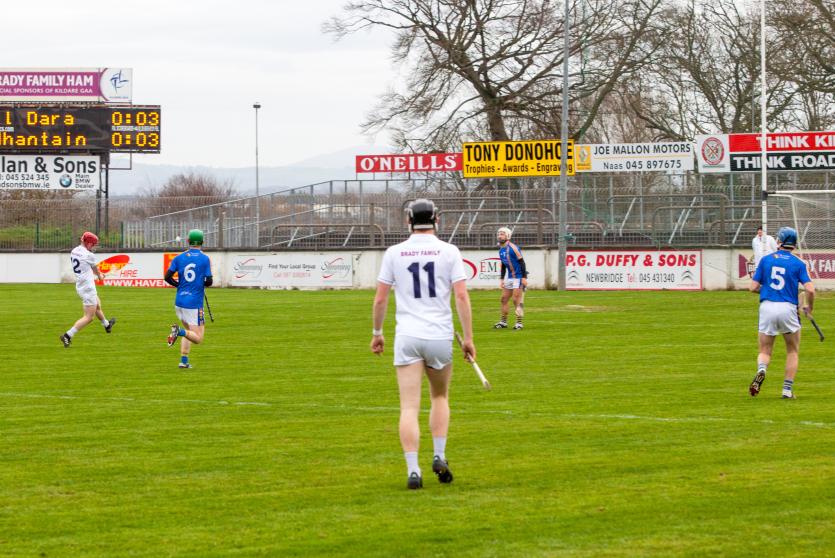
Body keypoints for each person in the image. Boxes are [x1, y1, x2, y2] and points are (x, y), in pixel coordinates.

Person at [371, 199, 476, 490]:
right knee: (439, 397)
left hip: (408, 336)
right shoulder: (449, 251)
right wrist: (468, 338)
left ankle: (413, 470)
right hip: (440, 336)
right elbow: (462, 297)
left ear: (408, 220)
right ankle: (440, 455)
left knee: (408, 407)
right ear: (436, 219)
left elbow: (380, 298)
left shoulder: (394, 252)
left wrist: (377, 332)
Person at [748, 226, 814, 399]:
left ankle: (762, 370)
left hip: (767, 306)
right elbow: (811, 290)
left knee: (765, 349)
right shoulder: (799, 263)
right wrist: (809, 307)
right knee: (792, 350)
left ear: (779, 242)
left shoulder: (766, 260)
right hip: (788, 308)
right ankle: (786, 390)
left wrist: (767, 291)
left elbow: (753, 287)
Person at [165, 229, 213, 369]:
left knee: (189, 332)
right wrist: (199, 284)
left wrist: (178, 285)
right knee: (198, 338)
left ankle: (184, 361)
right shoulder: (205, 258)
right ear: (202, 242)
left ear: (188, 241)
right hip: (194, 304)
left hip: (179, 302)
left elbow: (167, 277)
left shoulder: (179, 258)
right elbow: (209, 281)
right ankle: (178, 331)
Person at [60, 232, 116, 347]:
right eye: (93, 244)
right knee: (89, 317)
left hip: (81, 285)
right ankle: (67, 335)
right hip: (88, 288)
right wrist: (100, 276)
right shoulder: (89, 255)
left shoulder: (74, 250)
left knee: (98, 305)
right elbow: (95, 269)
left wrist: (97, 274)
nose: (94, 247)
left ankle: (106, 325)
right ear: (89, 243)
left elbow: (88, 267)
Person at [494, 226, 528, 330]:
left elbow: (522, 262)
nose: (500, 236)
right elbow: (504, 265)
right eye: (499, 234)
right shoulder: (501, 249)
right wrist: (501, 279)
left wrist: (524, 277)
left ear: (508, 236)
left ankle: (519, 323)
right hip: (509, 278)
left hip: (518, 277)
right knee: (504, 299)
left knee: (516, 300)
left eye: (502, 234)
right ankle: (503, 322)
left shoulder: (513, 248)